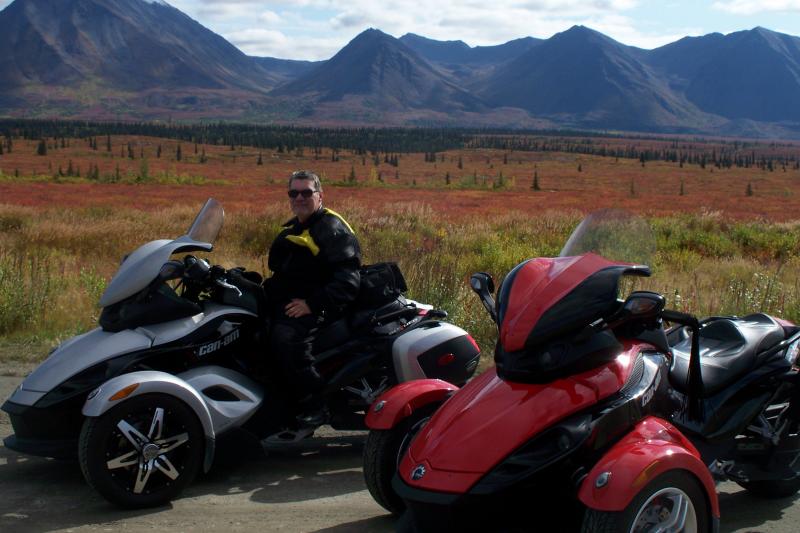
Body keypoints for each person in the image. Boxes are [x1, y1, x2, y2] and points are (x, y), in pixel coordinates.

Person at [264, 170, 361, 429]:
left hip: (324, 306)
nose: (300, 197)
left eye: (307, 192)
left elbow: (348, 281)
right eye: (294, 193)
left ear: (320, 196)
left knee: (286, 338)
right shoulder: (298, 226)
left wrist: (312, 304)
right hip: (297, 299)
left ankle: (315, 403)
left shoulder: (331, 228)